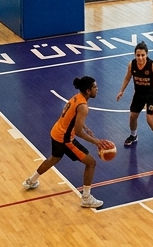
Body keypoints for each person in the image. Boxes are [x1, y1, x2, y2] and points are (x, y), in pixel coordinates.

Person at [22, 76, 111, 209]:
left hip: (56, 132)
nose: (97, 89)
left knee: (54, 158)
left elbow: (71, 116)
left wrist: (84, 126)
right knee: (91, 163)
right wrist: (96, 142)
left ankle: (31, 181)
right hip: (64, 138)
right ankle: (86, 198)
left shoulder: (76, 97)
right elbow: (79, 132)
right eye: (94, 87)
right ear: (88, 91)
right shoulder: (83, 107)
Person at [115, 42, 153, 152]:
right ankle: (133, 136)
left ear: (147, 54)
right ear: (135, 55)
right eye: (138, 55)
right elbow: (127, 77)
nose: (140, 58)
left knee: (149, 119)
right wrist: (121, 91)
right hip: (139, 93)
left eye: (142, 55)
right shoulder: (132, 64)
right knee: (132, 116)